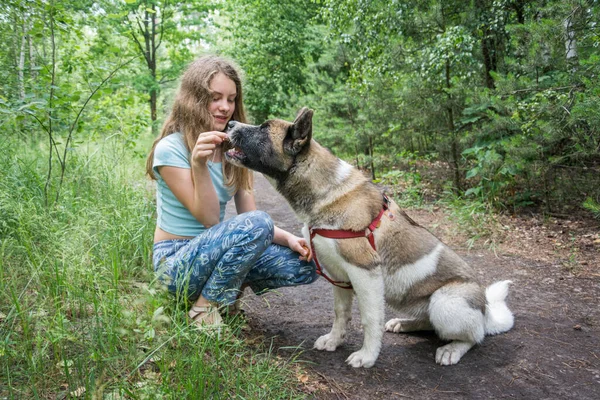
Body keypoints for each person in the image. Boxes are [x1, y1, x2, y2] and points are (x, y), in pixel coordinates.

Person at [146, 55, 317, 328]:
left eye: (231, 98)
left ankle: (224, 292)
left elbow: (251, 221)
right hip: (175, 264)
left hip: (216, 252)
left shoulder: (235, 152)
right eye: (215, 97)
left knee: (306, 265)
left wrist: (291, 240)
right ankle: (203, 309)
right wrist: (199, 165)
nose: (225, 107)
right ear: (194, 99)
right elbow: (210, 219)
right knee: (258, 223)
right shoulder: (171, 149)